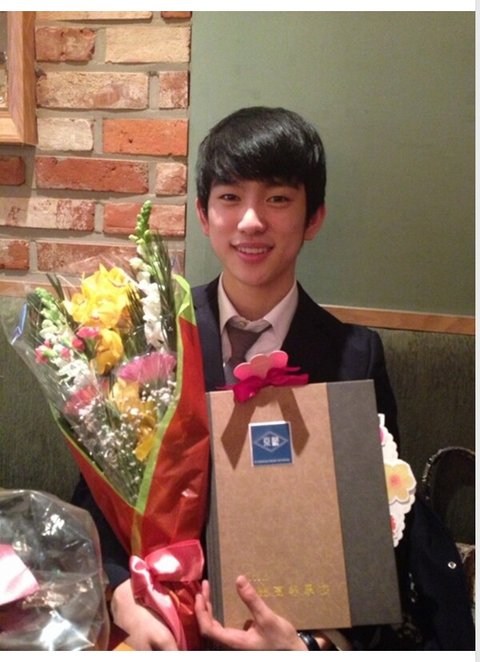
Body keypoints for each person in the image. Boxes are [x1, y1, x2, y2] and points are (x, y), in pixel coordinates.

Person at [73, 106, 474, 651]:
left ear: (314, 218)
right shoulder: (153, 337)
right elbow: (96, 496)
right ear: (203, 213)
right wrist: (123, 595)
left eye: (278, 199)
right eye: (229, 197)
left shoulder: (355, 356)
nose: (250, 221)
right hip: (157, 627)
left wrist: (313, 644)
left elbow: (377, 531)